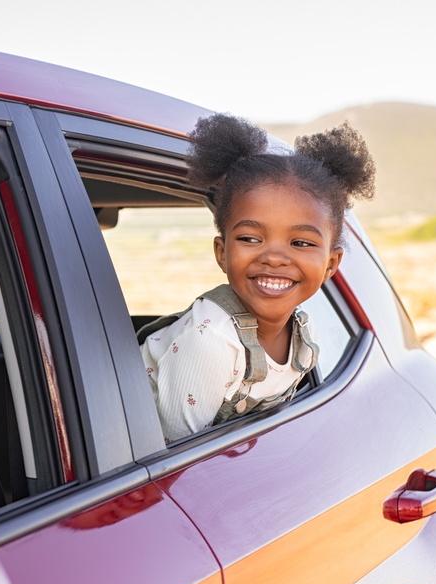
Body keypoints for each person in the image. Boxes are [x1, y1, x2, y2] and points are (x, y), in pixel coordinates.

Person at [139, 113, 375, 442]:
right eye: (250, 238)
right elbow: (175, 463)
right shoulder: (212, 342)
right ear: (222, 252)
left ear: (332, 264)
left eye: (301, 243)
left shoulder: (304, 336)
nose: (274, 257)